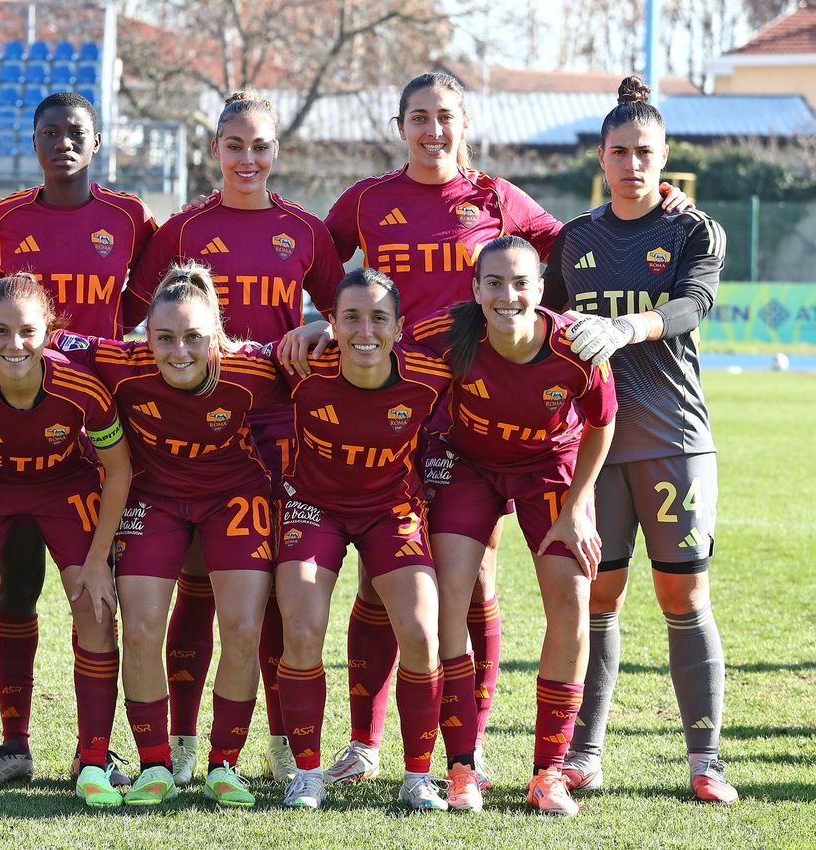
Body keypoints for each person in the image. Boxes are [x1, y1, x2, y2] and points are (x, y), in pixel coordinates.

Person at [321, 70, 689, 786]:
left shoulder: (494, 198)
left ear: (465, 125)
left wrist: (649, 206)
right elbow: (319, 266)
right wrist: (324, 325)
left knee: (474, 580)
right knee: (380, 576)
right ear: (400, 126)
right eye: (420, 117)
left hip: (478, 410)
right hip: (393, 403)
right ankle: (364, 744)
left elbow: (576, 242)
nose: (433, 131)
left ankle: (470, 749)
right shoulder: (366, 200)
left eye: (446, 117)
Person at [123, 91, 345, 785]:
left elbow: (350, 312)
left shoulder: (304, 230)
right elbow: (128, 313)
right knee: (191, 581)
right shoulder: (183, 230)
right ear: (214, 149)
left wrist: (323, 326)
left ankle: (280, 741)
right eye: (233, 145)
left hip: (275, 428)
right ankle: (183, 745)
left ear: (275, 151)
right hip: (189, 423)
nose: (246, 159)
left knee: (266, 590)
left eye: (259, 146)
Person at [544, 76, 737, 806]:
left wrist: (628, 326)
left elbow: (692, 305)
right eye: (619, 151)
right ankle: (584, 755)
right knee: (598, 598)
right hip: (593, 450)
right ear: (601, 155)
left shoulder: (692, 229)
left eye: (644, 152)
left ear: (664, 157)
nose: (632, 164)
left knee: (682, 596)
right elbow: (545, 324)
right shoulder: (575, 238)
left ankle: (705, 761)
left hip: (673, 440)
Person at [0, 91, 155, 785]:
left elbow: (144, 303)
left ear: (97, 141)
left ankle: (94, 749)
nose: (62, 142)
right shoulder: (6, 217)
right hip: (16, 419)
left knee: (95, 590)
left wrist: (93, 349)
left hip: (95, 420)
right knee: (18, 583)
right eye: (50, 132)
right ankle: (13, 744)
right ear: (33, 141)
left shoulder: (129, 215)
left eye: (76, 132)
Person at [52, 260, 285, 808]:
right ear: (145, 337)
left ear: (217, 337)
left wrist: (316, 330)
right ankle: (155, 762)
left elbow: (319, 353)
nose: (179, 350)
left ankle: (224, 764)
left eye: (193, 338)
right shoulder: (120, 359)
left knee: (244, 625)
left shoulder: (253, 366)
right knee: (140, 626)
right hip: (152, 496)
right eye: (164, 338)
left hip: (234, 495)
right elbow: (34, 333)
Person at [0, 274, 132, 807]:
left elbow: (119, 470)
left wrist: (99, 560)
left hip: (63, 485)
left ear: (49, 331)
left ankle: (94, 760)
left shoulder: (81, 387)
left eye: (28, 331)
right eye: (1, 332)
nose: (15, 344)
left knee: (96, 606)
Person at [421, 235, 616, 816]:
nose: (509, 295)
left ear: (541, 288)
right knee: (449, 598)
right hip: (467, 467)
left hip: (549, 469)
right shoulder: (447, 334)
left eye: (522, 282)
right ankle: (461, 767)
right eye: (495, 283)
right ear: (476, 289)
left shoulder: (577, 346)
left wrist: (577, 506)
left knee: (572, 603)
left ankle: (548, 773)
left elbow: (602, 423)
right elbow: (375, 343)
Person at [267, 268, 452, 811]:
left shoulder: (428, 374)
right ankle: (307, 774)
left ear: (399, 327)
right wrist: (299, 332)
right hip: (312, 506)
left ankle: (418, 776)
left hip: (389, 509)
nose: (363, 330)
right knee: (301, 626)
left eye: (377, 318)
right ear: (331, 322)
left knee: (421, 630)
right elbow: (232, 355)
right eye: (350, 317)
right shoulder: (300, 365)